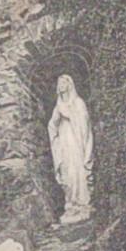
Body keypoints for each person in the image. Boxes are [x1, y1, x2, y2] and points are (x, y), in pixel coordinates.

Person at [47, 74, 94, 225]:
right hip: (64, 144)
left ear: (70, 85)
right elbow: (52, 126)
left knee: (77, 170)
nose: (61, 85)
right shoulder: (58, 105)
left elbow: (84, 123)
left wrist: (68, 115)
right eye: (59, 82)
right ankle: (71, 204)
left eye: (64, 82)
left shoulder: (78, 102)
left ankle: (82, 202)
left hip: (76, 142)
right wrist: (58, 119)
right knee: (67, 172)